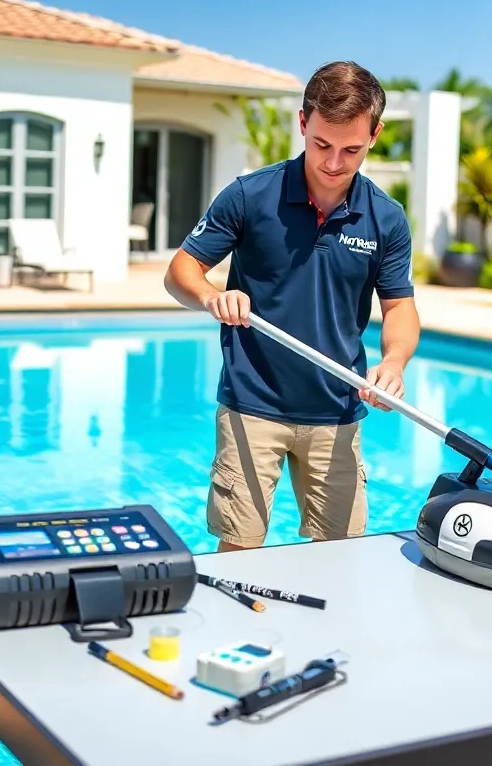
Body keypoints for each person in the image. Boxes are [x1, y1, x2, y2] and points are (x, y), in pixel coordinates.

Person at [163, 60, 421, 552]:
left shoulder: (387, 219)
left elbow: (400, 308)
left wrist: (394, 362)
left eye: (351, 149)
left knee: (341, 557)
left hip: (337, 409)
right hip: (252, 405)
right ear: (303, 123)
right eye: (322, 144)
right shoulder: (249, 196)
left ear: (375, 134)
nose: (333, 163)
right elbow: (180, 272)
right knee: (239, 554)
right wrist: (213, 295)